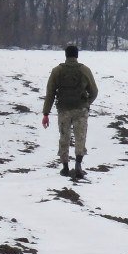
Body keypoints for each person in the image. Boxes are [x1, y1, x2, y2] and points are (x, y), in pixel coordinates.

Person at [42, 44, 99, 179]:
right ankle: (78, 165)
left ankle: (65, 167)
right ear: (77, 55)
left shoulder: (57, 71)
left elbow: (50, 93)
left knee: (64, 137)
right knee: (80, 137)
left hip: (63, 109)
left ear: (66, 55)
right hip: (81, 109)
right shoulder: (85, 70)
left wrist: (46, 113)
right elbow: (94, 91)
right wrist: (86, 103)